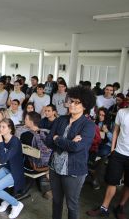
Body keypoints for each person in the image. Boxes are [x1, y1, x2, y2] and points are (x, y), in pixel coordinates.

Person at [46, 86, 96, 219]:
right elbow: (48, 141)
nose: (72, 105)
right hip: (55, 167)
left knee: (71, 205)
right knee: (56, 201)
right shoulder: (61, 119)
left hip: (74, 171)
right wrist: (67, 141)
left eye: (77, 102)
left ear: (85, 105)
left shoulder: (88, 125)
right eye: (71, 101)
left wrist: (58, 138)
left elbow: (76, 148)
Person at [87, 107, 129, 219]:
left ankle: (120, 206)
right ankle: (104, 208)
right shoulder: (122, 112)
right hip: (118, 153)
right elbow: (116, 130)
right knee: (112, 181)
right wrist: (112, 150)